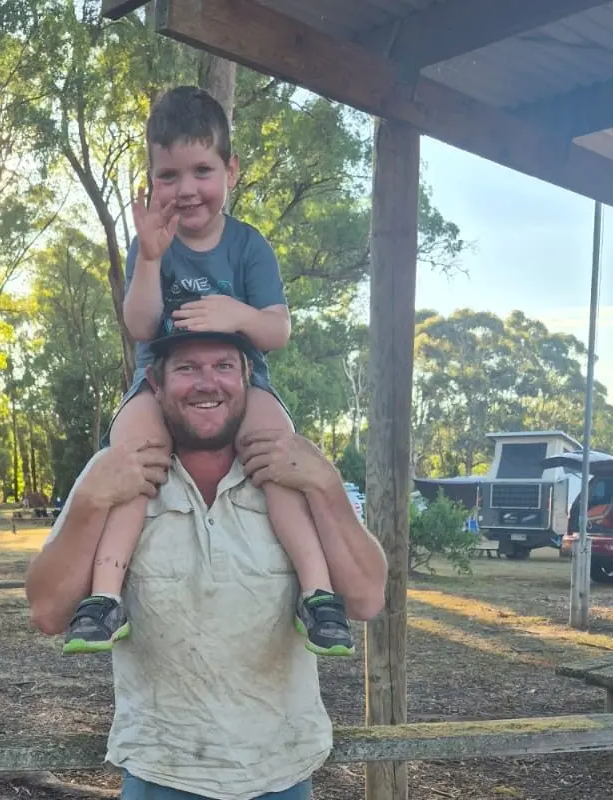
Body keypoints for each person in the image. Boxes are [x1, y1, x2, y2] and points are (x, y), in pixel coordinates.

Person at [25, 332, 388, 799]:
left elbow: (366, 598)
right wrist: (91, 500)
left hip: (282, 772)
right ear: (154, 383)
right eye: (187, 368)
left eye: (222, 366)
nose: (207, 383)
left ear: (247, 378)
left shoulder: (294, 474)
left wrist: (327, 484)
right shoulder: (116, 477)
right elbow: (48, 612)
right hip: (160, 770)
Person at [60, 85, 354, 658]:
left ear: (231, 170)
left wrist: (236, 314)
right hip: (160, 381)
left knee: (276, 454)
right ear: (151, 179)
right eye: (169, 176)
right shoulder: (153, 244)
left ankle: (319, 594)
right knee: (132, 461)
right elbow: (141, 325)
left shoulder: (249, 247)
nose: (187, 189)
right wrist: (148, 258)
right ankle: (104, 597)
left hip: (239, 383)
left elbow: (277, 330)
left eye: (202, 170)